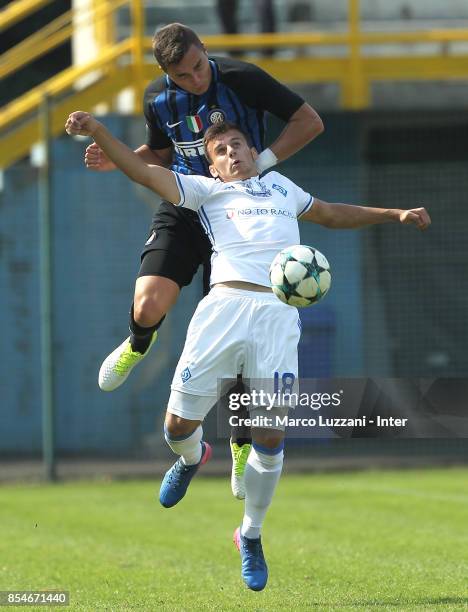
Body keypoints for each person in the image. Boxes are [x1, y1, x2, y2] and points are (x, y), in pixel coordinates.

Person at [66, 112, 431, 591]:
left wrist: (394, 214)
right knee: (177, 426)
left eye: (237, 144)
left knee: (272, 436)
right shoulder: (206, 192)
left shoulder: (282, 188)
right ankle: (193, 457)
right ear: (213, 167)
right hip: (223, 311)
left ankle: (250, 534)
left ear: (251, 150)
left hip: (277, 317)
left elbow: (332, 213)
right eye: (221, 150)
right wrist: (99, 132)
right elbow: (143, 172)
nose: (232, 153)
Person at [84, 22, 324, 500]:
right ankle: (137, 344)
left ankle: (238, 445)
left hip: (240, 210)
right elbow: (159, 150)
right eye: (183, 75)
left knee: (241, 333)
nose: (195, 79)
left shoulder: (241, 77)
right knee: (149, 302)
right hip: (187, 200)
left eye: (198, 67)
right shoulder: (158, 97)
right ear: (165, 73)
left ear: (205, 52)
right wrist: (122, 156)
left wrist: (262, 164)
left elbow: (309, 122)